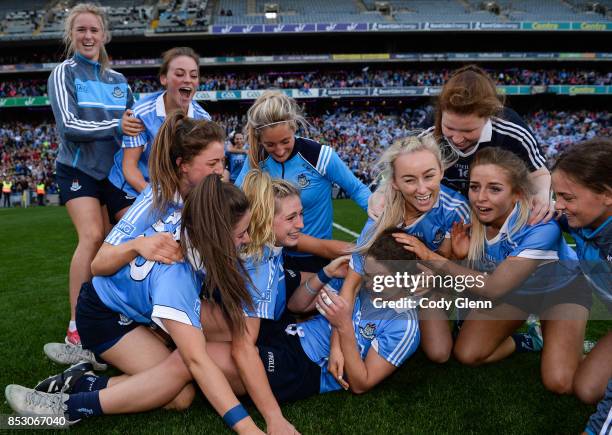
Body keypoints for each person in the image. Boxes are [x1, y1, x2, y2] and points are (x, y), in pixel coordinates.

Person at [5, 175, 263, 434]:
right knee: (180, 392)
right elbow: (198, 362)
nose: (248, 239)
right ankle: (67, 405)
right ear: (215, 234)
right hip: (105, 316)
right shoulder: (176, 281)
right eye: (241, 233)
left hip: (127, 308)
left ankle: (84, 380)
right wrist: (248, 428)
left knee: (208, 343)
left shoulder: (194, 218)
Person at [394, 147, 590, 394]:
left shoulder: (540, 226)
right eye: (475, 187)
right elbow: (416, 188)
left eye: (495, 189)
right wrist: (460, 257)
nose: (480, 198)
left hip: (560, 292)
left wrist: (430, 257)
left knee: (560, 382)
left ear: (517, 193)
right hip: (517, 293)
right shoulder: (472, 218)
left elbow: (493, 287)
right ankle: (531, 340)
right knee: (468, 354)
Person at [43, 111, 226, 364]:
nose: (221, 171)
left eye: (223, 162)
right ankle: (79, 381)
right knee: (178, 390)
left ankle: (108, 353)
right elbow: (99, 264)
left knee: (223, 336)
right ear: (183, 165)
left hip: (147, 310)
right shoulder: (156, 198)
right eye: (212, 164)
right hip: (111, 310)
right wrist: (139, 245)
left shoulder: (212, 197)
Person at [335, 134, 470, 366]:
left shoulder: (456, 210)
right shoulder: (382, 213)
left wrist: (436, 277)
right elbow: (352, 283)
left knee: (439, 353)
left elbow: (461, 275)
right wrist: (337, 344)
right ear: (394, 182)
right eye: (409, 180)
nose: (422, 188)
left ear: (441, 171)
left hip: (432, 287)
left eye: (429, 176)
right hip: (387, 288)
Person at [48, 3, 137, 346]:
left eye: (93, 30)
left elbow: (133, 127)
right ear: (71, 35)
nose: (87, 36)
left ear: (104, 35)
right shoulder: (63, 73)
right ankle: (76, 325)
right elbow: (69, 126)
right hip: (78, 170)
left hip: (114, 174)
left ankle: (114, 310)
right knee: (92, 236)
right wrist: (116, 124)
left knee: (121, 242)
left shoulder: (119, 81)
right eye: (80, 30)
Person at [235, 90, 371, 273]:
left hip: (316, 259)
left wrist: (381, 222)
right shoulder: (255, 158)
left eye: (285, 141)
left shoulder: (319, 156)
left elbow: (357, 189)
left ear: (294, 127)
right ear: (259, 139)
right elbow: (236, 202)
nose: (280, 151)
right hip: (270, 256)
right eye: (270, 145)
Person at [425, 65, 553, 225]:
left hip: (496, 218)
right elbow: (398, 169)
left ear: (489, 117)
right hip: (444, 216)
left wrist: (541, 194)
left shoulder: (511, 129)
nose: (457, 139)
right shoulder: (428, 130)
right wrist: (382, 195)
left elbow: (539, 174)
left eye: (468, 130)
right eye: (449, 128)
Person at [106, 47, 211, 220]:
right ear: (164, 79)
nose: (188, 80)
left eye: (193, 75)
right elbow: (130, 167)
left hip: (172, 192)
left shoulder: (204, 120)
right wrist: (158, 198)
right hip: (130, 187)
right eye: (179, 74)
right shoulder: (141, 113)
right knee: (148, 233)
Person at [550, 139, 611, 410]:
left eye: (567, 197)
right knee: (586, 389)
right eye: (556, 195)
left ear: (607, 194)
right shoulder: (581, 219)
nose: (559, 205)